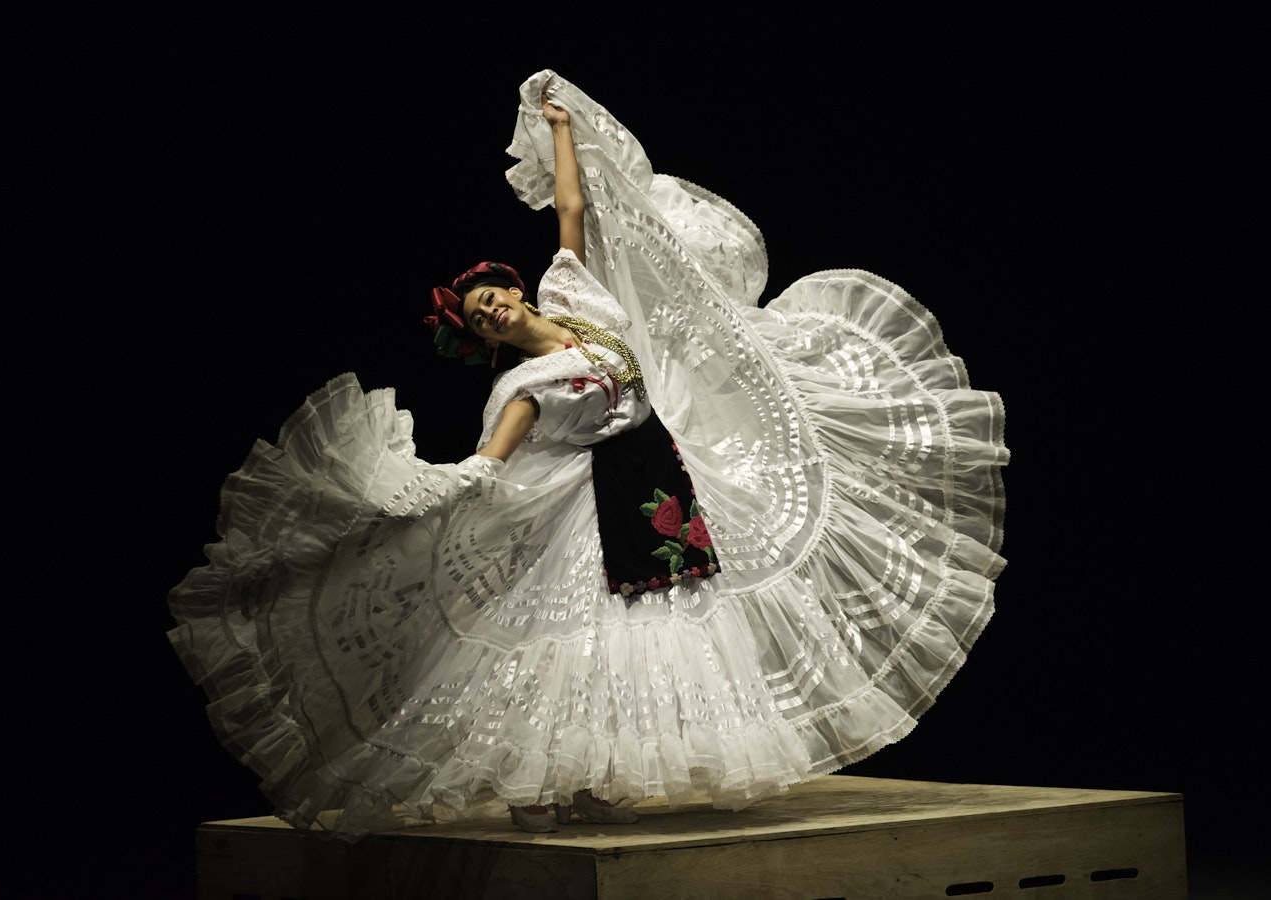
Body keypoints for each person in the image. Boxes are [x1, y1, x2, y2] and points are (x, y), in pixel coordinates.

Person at [168, 70, 1008, 839]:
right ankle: (545, 783)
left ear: (513, 288)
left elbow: (570, 208)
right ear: (484, 339)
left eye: (491, 297)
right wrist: (419, 489)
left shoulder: (573, 293)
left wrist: (562, 129)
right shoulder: (522, 388)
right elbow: (491, 462)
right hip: (586, 504)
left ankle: (589, 781)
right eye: (480, 317)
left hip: (654, 473)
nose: (492, 311)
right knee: (580, 638)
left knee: (657, 623)